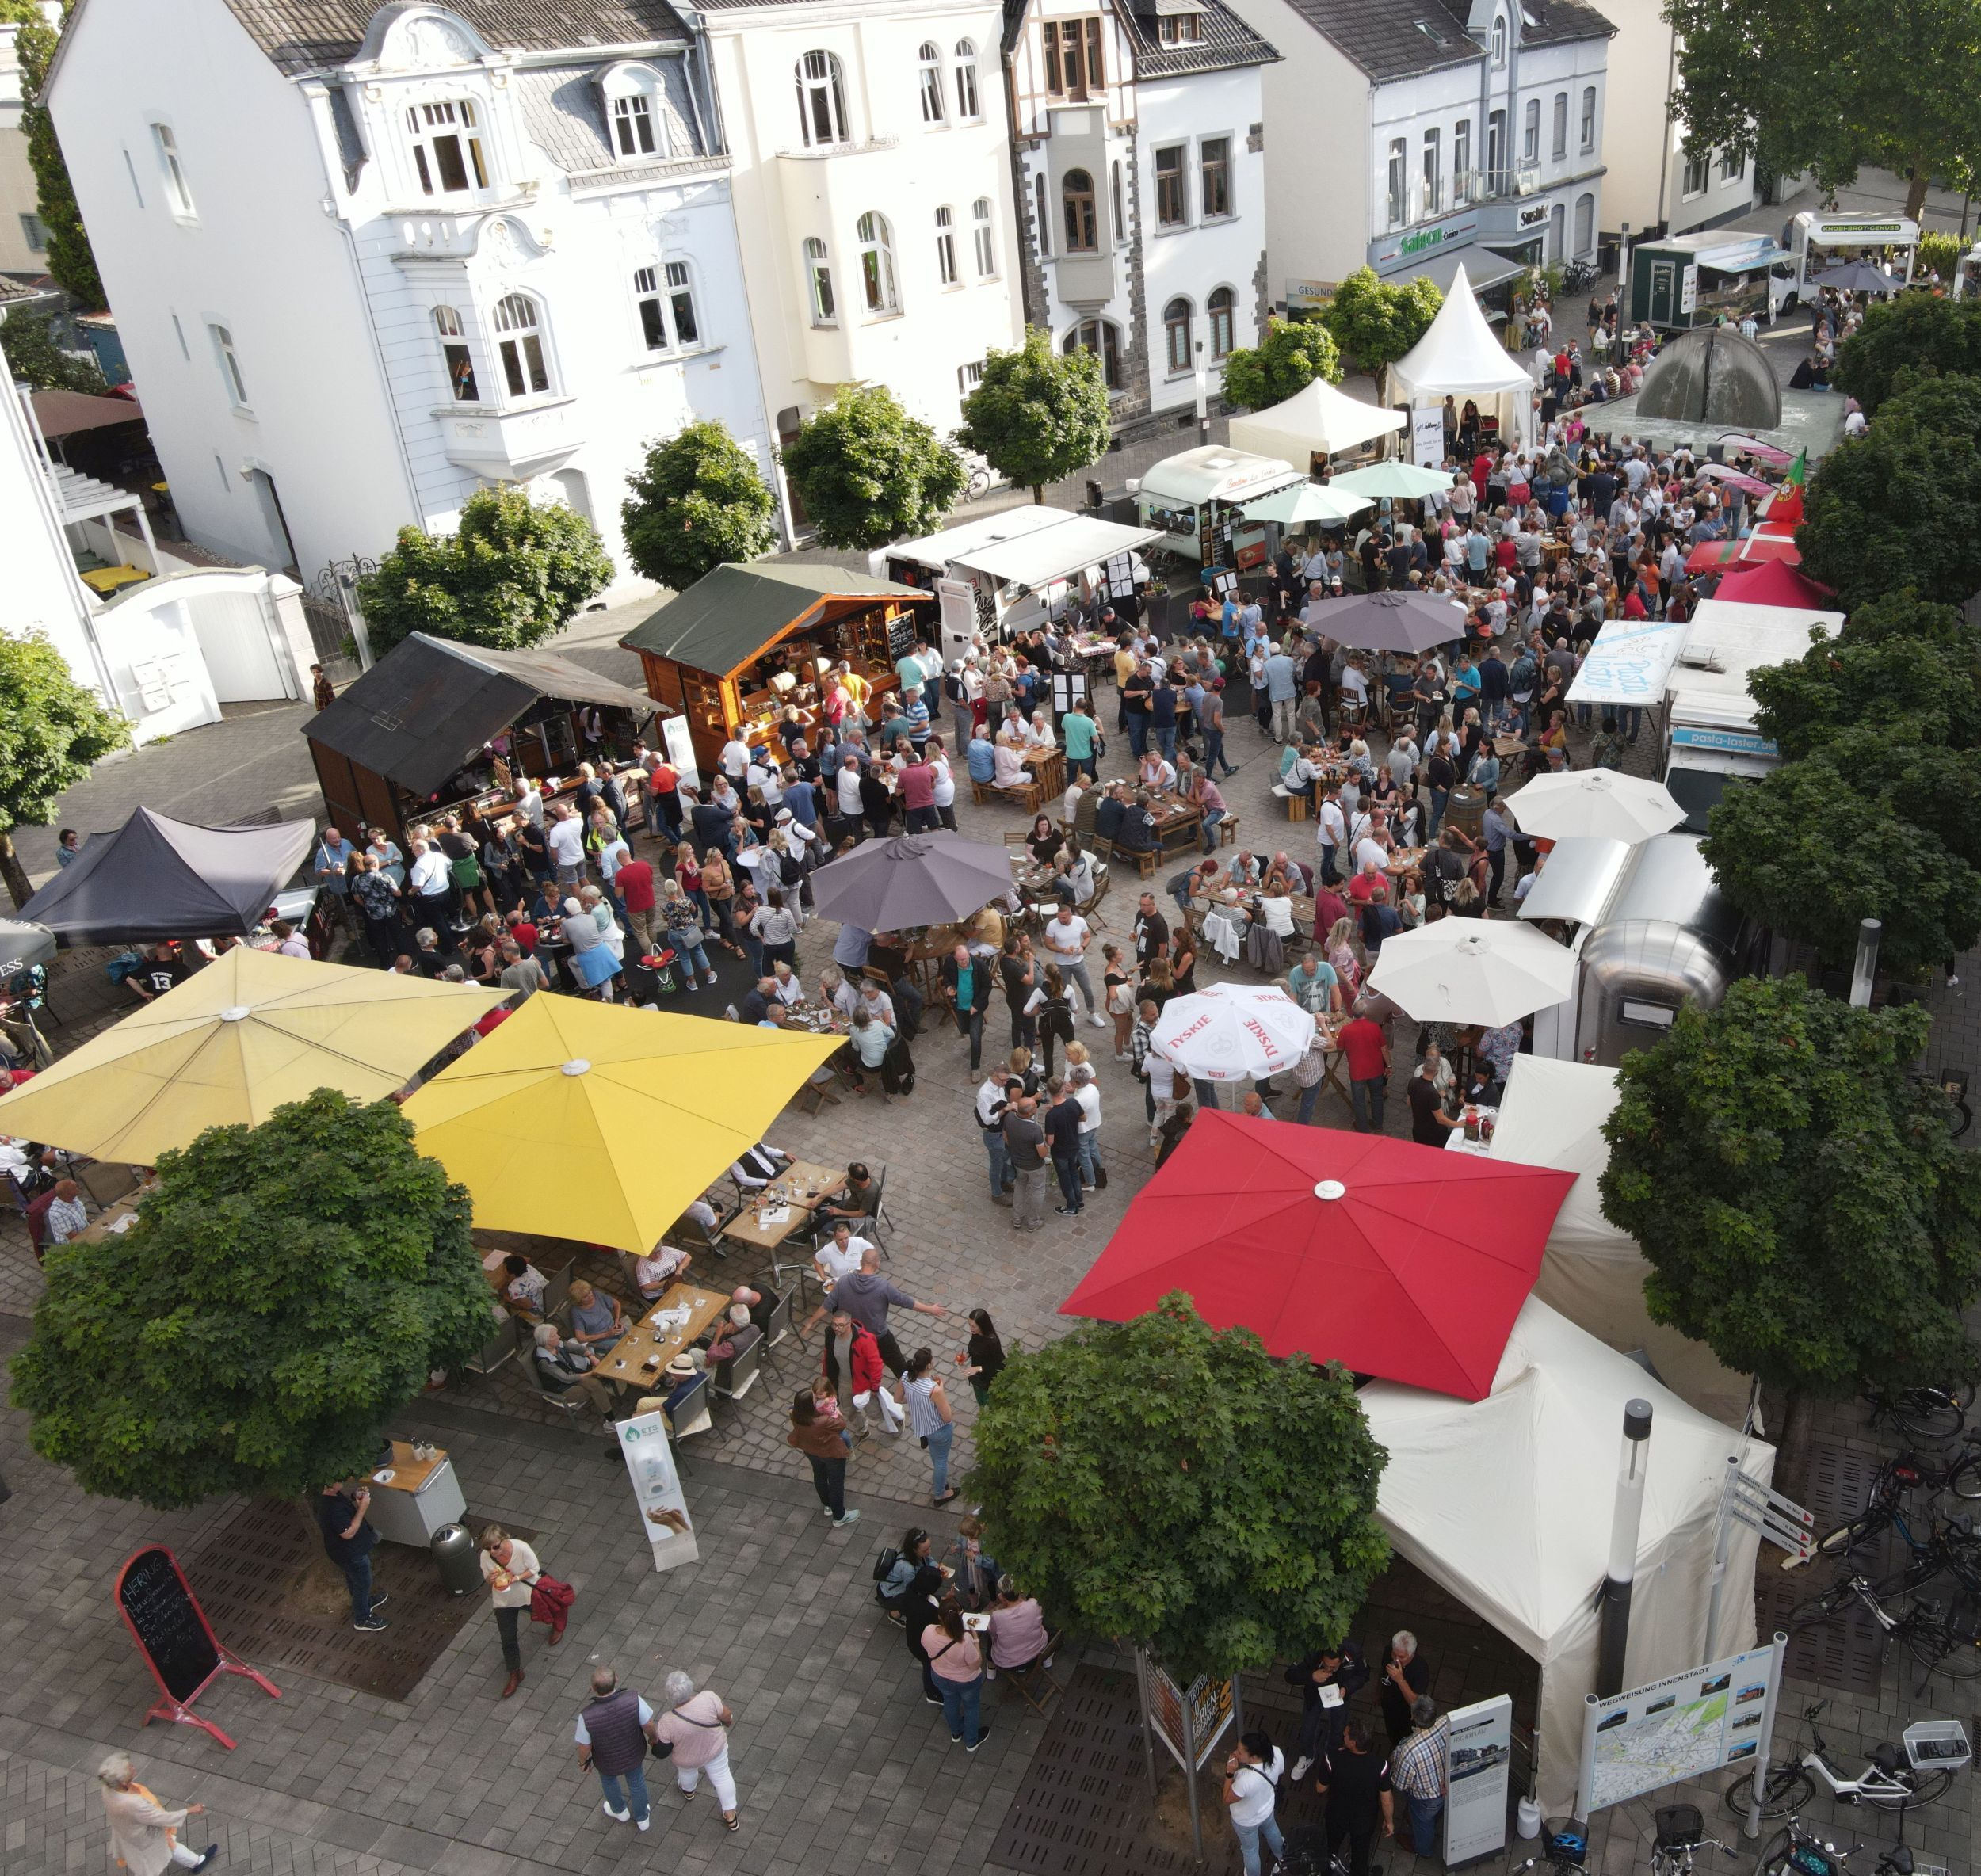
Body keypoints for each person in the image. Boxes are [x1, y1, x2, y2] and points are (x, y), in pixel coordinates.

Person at [833, 1244, 945, 1377]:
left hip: (855, 1335)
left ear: (861, 1262)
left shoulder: (845, 1281)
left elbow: (830, 1304)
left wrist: (811, 1322)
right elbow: (905, 1301)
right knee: (899, 1368)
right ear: (878, 1264)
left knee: (859, 1366)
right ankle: (908, 1386)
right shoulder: (882, 1286)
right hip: (878, 1336)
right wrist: (930, 1309)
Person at [574, 1663, 660, 1832]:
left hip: (606, 1760)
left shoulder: (586, 1716)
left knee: (608, 1781)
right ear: (617, 1680)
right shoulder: (633, 1699)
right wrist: (654, 1738)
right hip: (633, 1752)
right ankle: (643, 1817)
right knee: (637, 1782)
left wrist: (582, 1762)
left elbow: (585, 1746)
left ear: (593, 1688)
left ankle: (619, 1810)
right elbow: (648, 1724)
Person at [97, 1751, 216, 1874]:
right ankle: (197, 1862)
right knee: (166, 1846)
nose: (133, 1767)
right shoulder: (134, 1804)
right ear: (122, 1782)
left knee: (164, 1848)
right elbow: (161, 1818)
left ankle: (196, 1862)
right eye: (130, 1767)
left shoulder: (108, 1789)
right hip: (146, 1834)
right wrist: (190, 1810)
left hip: (129, 1831)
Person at [653, 1668, 742, 1829]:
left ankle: (688, 1791)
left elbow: (662, 1751)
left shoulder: (667, 1721)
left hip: (688, 1759)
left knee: (687, 1773)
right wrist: (728, 1722)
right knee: (722, 1776)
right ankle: (730, 1815)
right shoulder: (708, 1698)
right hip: (715, 1749)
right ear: (690, 1685)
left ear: (669, 1696)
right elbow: (727, 1715)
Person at [1315, 1720, 1394, 1876]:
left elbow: (1320, 1788)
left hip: (1336, 1816)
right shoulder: (1380, 1765)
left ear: (1352, 1742)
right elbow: (1387, 1799)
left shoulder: (1333, 1758)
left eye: (1345, 1735)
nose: (1342, 1736)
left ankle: (1327, 1871)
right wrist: (1389, 1821)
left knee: (1331, 1847)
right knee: (1361, 1854)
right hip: (1364, 1820)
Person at [478, 1524, 548, 1699]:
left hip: (526, 1594)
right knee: (508, 1638)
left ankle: (558, 1623)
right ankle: (515, 1673)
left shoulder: (521, 1548)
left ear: (504, 1539)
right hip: (504, 1601)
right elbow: (487, 1578)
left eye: (496, 1546)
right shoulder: (485, 1556)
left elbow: (534, 1569)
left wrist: (514, 1578)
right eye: (488, 1548)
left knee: (546, 1612)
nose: (492, 1551)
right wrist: (490, 1579)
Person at [315, 1478, 387, 1632]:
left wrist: (355, 1496)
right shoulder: (331, 1509)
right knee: (363, 1583)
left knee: (355, 1579)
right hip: (350, 1552)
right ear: (329, 1484)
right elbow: (347, 1533)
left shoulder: (329, 1496)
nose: (342, 1481)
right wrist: (362, 1508)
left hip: (345, 1551)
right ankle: (362, 1618)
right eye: (338, 1480)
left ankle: (365, 1603)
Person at [922, 1599, 991, 1752]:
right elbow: (975, 1664)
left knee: (950, 1702)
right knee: (971, 1706)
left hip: (940, 1676)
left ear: (940, 1617)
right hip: (965, 1681)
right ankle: (972, 1741)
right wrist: (976, 1640)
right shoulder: (965, 1640)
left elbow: (927, 1650)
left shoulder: (928, 1631)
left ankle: (956, 1732)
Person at [788, 1386, 861, 1528]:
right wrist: (834, 1412)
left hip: (811, 1450)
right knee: (836, 1483)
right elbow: (841, 1424)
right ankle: (839, 1516)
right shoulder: (822, 1420)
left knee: (819, 1476)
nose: (818, 1399)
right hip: (831, 1453)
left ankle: (827, 1505)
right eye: (815, 1399)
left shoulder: (795, 1414)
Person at [822, 1306, 899, 1438]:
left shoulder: (865, 1340)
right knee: (847, 1410)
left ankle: (897, 1420)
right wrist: (825, 1378)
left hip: (863, 1384)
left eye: (840, 1325)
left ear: (849, 1323)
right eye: (834, 1324)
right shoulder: (830, 1334)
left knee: (874, 1412)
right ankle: (862, 1430)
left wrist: (874, 1386)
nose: (836, 1328)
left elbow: (876, 1364)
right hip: (843, 1382)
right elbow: (827, 1356)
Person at [1391, 1694, 1450, 1857]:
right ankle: (1431, 1820)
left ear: (1412, 1716)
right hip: (1447, 1786)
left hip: (1425, 1798)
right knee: (1435, 1812)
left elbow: (1400, 1784)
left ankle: (1423, 1850)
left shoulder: (1408, 1750)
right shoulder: (1446, 1721)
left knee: (1423, 1824)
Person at [897, 1346, 958, 1505]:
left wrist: (914, 1400)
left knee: (936, 1457)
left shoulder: (905, 1377)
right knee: (941, 1461)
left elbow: (898, 1399)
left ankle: (941, 1484)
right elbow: (947, 1416)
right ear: (929, 1366)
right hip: (939, 1429)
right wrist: (941, 1389)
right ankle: (940, 1494)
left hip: (923, 1427)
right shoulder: (934, 1389)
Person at [1223, 1730, 1287, 1876]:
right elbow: (1280, 1773)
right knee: (1272, 1829)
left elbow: (1227, 1798)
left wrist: (1229, 1773)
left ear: (1253, 1757)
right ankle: (1283, 1858)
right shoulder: (1276, 1752)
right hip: (1267, 1808)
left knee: (1250, 1850)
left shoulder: (1245, 1780)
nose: (1235, 1753)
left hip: (1246, 1820)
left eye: (1240, 1752)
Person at [532, 1321, 616, 1420]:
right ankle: (610, 1420)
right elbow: (566, 1379)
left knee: (600, 1369)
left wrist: (591, 1356)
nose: (559, 1337)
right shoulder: (545, 1361)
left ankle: (609, 1392)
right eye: (554, 1336)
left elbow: (579, 1348)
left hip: (572, 1374)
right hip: (560, 1388)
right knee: (595, 1386)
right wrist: (591, 1374)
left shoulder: (557, 1344)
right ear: (546, 1341)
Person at [1001, 1092, 1050, 1231]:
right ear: (1029, 1113)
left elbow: (1005, 1136)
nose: (1036, 1108)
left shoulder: (1010, 1117)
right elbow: (1042, 1153)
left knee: (1020, 1186)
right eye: (1035, 1107)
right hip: (1034, 1166)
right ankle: (1033, 1222)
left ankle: (1017, 1218)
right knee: (1038, 1190)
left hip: (1018, 1162)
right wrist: (1047, 1148)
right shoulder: (1034, 1130)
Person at [941, 941, 992, 1072]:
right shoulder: (950, 962)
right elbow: (945, 976)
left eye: (966, 958)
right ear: (955, 959)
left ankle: (975, 1067)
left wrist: (977, 1005)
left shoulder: (979, 966)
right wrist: (948, 987)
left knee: (975, 1039)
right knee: (965, 1029)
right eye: (961, 960)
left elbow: (987, 987)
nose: (964, 962)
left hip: (975, 1006)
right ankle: (979, 1029)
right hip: (959, 1005)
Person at [987, 1575, 1052, 1676]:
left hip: (1008, 1663)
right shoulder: (1033, 1604)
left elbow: (993, 1633)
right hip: (1037, 1653)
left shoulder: (997, 1616)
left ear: (1003, 1597)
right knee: (1039, 1623)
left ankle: (991, 1669)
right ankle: (1047, 1659)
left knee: (989, 1635)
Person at [1338, 1008, 1389, 1134]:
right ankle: (1378, 1125)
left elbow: (1339, 1048)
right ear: (1365, 1013)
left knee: (1359, 1100)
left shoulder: (1346, 1030)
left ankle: (1362, 1128)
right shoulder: (1375, 1027)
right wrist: (1389, 1066)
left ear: (1352, 1014)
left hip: (1357, 1072)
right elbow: (1384, 1049)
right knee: (1377, 1097)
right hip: (1376, 1069)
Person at [1380, 1630, 1431, 1749]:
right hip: (1389, 1704)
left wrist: (1400, 1680)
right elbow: (1382, 1671)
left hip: (1407, 1714)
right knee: (1392, 1733)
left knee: (1405, 1739)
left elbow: (1415, 1702)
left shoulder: (1421, 1669)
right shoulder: (1389, 1651)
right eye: (1394, 1655)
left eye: (1401, 1657)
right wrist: (1378, 1692)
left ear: (1411, 1654)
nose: (1396, 1660)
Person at [958, 1305, 1006, 1406]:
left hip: (989, 1380)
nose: (971, 1329)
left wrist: (979, 1368)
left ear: (982, 1325)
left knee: (987, 1405)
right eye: (969, 1325)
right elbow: (974, 1348)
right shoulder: (976, 1333)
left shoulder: (992, 1341)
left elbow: (1000, 1365)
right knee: (981, 1403)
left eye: (973, 1326)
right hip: (977, 1378)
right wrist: (967, 1355)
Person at [564, 1279, 624, 1353]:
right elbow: (581, 1338)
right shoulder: (576, 1312)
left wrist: (617, 1320)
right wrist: (606, 1334)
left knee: (631, 1335)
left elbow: (617, 1304)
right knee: (620, 1346)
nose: (590, 1296)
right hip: (600, 1341)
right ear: (579, 1300)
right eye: (585, 1297)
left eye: (590, 1292)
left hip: (613, 1329)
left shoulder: (597, 1295)